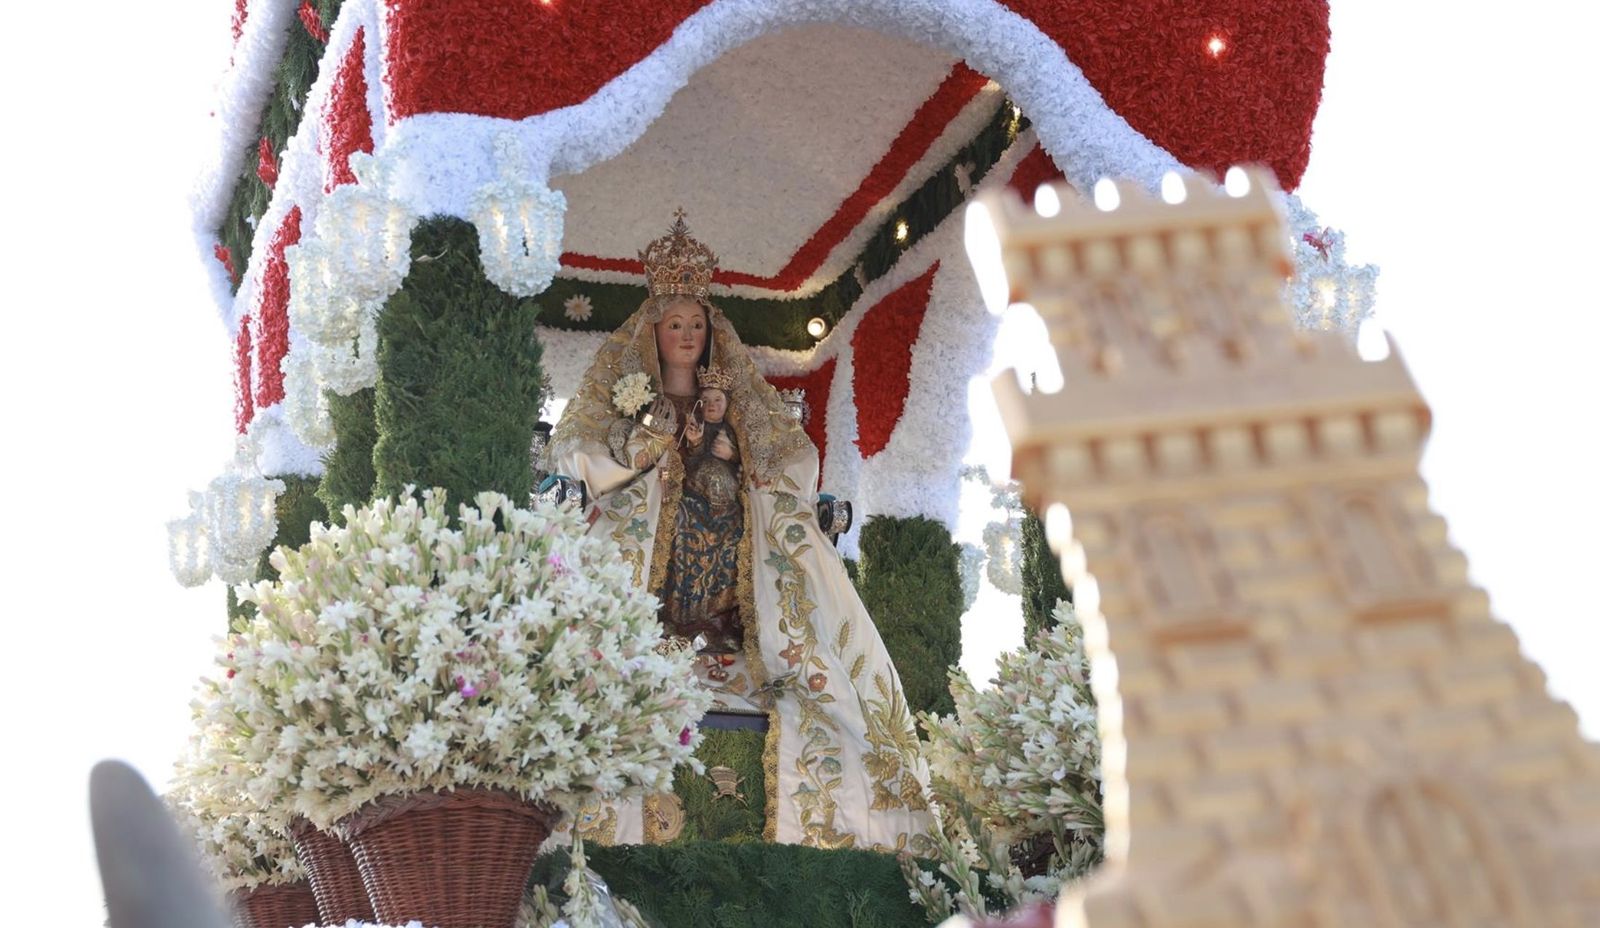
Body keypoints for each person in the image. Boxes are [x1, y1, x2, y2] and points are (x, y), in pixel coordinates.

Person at [548, 211, 933, 851]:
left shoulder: (728, 401)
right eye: (675, 324)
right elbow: (586, 453)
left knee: (763, 525)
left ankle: (738, 639)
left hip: (724, 545)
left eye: (696, 324)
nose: (687, 335)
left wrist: (725, 458)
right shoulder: (629, 402)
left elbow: (780, 459)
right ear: (653, 331)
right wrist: (648, 449)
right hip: (646, 545)